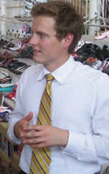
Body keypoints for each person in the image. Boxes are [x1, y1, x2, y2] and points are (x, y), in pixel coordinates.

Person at [7, 1, 109, 174]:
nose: (31, 41)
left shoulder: (98, 85)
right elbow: (16, 116)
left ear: (66, 40)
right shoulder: (28, 77)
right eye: (32, 33)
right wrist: (17, 128)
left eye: (41, 35)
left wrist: (66, 139)